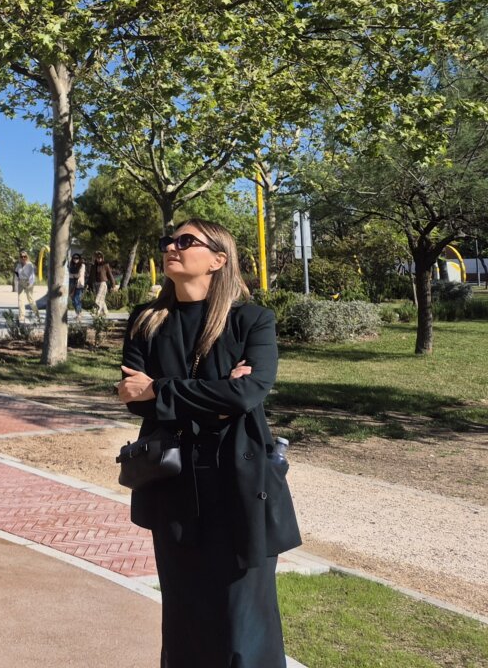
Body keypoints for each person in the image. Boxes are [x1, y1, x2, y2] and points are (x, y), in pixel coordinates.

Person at [116, 219, 300, 668]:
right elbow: (132, 399)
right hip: (173, 485)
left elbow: (247, 394)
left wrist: (161, 390)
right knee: (184, 617)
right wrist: (214, 396)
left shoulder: (250, 319)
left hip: (238, 485)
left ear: (219, 259)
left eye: (186, 242)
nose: (172, 248)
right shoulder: (147, 321)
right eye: (169, 241)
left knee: (243, 619)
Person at [11, 250, 37, 323]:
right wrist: (16, 282)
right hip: (21, 282)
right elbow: (16, 273)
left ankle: (36, 313)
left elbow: (32, 276)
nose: (23, 258)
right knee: (20, 299)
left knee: (30, 299)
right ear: (20, 257)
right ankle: (21, 316)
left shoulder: (30, 265)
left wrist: (30, 283)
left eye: (24, 256)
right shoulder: (18, 265)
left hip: (28, 282)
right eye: (21, 257)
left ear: (27, 257)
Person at [92, 251, 116, 317]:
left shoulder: (105, 264)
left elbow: (110, 275)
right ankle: (105, 312)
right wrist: (90, 284)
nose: (99, 259)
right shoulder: (94, 265)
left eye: (100, 258)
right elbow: (92, 275)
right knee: (102, 299)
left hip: (103, 283)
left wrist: (113, 285)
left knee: (98, 299)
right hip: (96, 283)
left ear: (102, 258)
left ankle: (96, 312)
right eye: (97, 258)